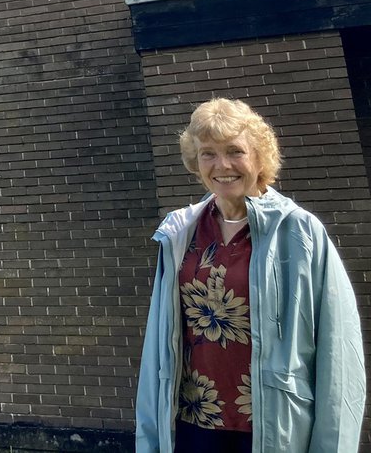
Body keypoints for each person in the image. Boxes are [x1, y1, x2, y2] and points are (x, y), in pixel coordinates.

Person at [135, 98, 365, 452]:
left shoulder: (299, 232)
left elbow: (339, 349)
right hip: (194, 424)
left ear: (259, 158)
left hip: (274, 427)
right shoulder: (180, 233)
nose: (222, 165)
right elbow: (160, 346)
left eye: (234, 151)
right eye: (208, 153)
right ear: (195, 164)